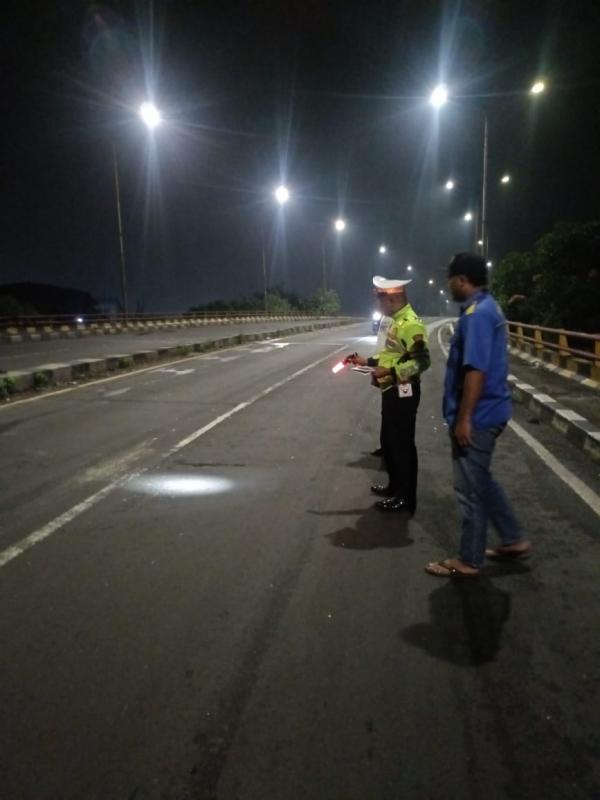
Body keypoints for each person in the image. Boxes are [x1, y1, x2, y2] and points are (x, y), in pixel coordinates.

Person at [425, 252, 531, 578]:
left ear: (462, 279)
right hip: (492, 409)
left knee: (468, 490)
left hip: (480, 415)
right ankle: (512, 539)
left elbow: (475, 370)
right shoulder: (489, 307)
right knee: (482, 480)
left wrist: (464, 419)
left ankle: (469, 560)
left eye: (450, 280)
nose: (449, 286)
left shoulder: (477, 315)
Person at [348, 275, 430, 514]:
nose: (377, 305)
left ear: (392, 298)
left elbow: (422, 361)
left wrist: (392, 373)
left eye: (379, 299)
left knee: (403, 445)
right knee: (391, 442)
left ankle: (406, 497)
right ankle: (395, 487)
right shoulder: (396, 320)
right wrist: (367, 361)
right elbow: (392, 354)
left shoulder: (410, 324)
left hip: (404, 391)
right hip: (391, 389)